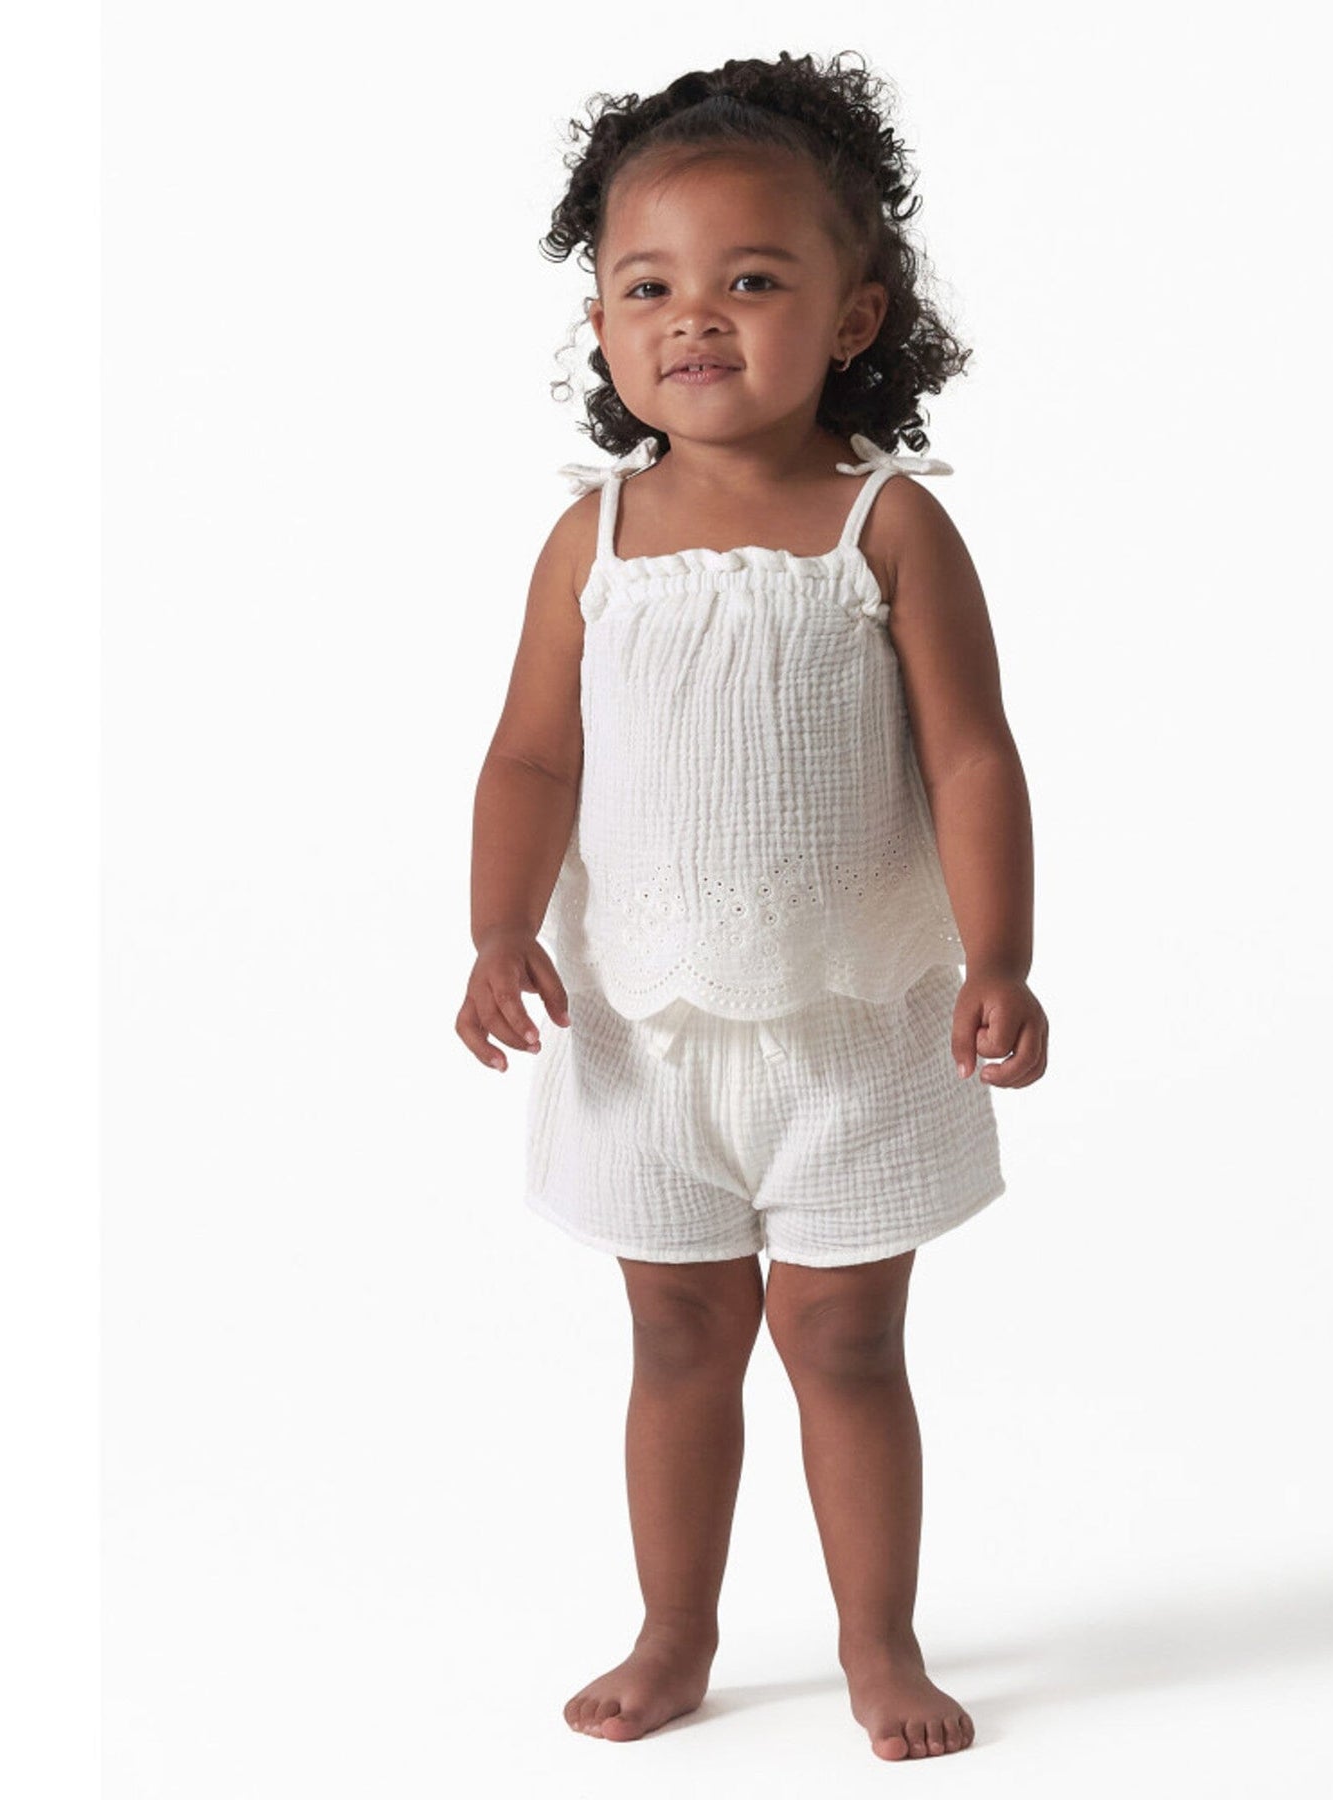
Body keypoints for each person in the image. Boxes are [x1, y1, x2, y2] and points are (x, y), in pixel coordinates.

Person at [455, 50, 1048, 1761]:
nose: (695, 316)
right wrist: (497, 928)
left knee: (846, 1343)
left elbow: (972, 757)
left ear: (855, 316)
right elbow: (530, 759)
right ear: (599, 324)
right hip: (642, 1032)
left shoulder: (887, 526)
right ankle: (677, 1629)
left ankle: (879, 1642)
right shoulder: (594, 541)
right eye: (649, 286)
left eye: (753, 281)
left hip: (856, 1026)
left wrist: (1001, 956)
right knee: (675, 1334)